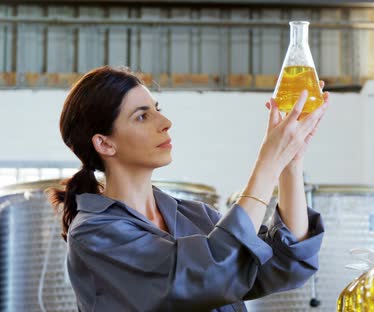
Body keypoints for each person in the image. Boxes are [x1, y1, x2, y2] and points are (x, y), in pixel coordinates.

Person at [46, 65, 330, 311]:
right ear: (105, 143)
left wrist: (290, 162)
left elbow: (285, 264)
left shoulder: (197, 216)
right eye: (142, 116)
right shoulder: (94, 233)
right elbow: (207, 275)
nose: (166, 123)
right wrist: (267, 163)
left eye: (158, 110)